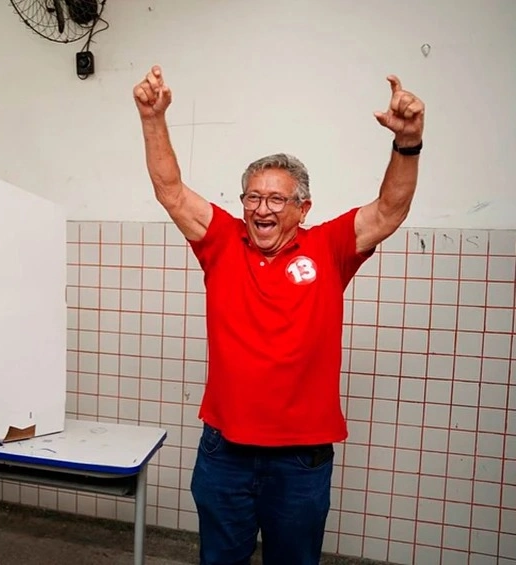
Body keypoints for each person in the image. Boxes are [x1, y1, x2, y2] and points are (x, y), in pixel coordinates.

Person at [132, 65, 424, 565]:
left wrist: (408, 143)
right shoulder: (222, 242)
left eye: (276, 199)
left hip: (300, 459)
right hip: (225, 453)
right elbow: (171, 190)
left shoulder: (330, 246)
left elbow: (389, 210)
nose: (261, 209)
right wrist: (152, 118)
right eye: (252, 196)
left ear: (303, 207)